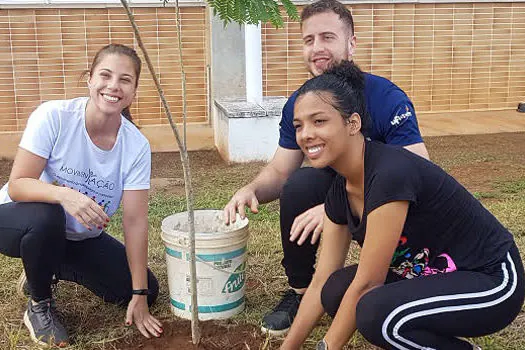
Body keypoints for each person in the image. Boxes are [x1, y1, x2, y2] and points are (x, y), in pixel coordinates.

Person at [279, 60, 525, 350]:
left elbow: (368, 283)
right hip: (431, 275)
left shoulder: (388, 174)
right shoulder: (339, 190)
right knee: (334, 291)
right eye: (299, 125)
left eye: (319, 121)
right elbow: (320, 281)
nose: (306, 134)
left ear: (353, 123)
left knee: (376, 315)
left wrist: (326, 346)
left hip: (491, 279)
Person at [223, 0, 430, 335]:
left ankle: (400, 277)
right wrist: (251, 189)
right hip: (341, 192)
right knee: (300, 185)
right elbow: (280, 170)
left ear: (351, 43)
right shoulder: (300, 103)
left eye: (327, 37)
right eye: (308, 40)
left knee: (373, 298)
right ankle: (301, 292)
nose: (317, 48)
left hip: (390, 206)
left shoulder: (385, 96)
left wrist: (338, 208)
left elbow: (419, 168)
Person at [0, 44, 163, 347]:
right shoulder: (55, 116)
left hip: (77, 238)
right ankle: (39, 305)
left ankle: (45, 267)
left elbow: (135, 220)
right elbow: (18, 185)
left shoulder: (135, 145)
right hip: (18, 220)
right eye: (105, 75)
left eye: (125, 80)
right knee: (47, 214)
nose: (113, 86)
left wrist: (139, 293)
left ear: (134, 90)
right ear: (89, 79)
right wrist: (64, 195)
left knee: (147, 290)